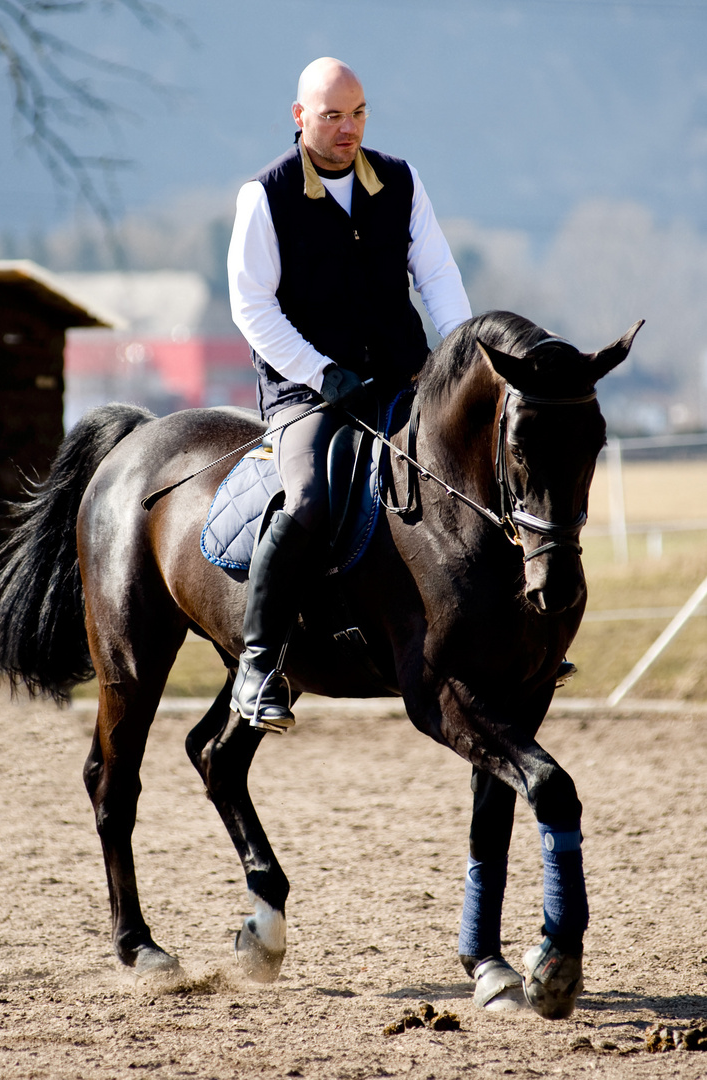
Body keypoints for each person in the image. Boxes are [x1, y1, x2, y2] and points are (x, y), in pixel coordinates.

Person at [227, 56, 472, 731]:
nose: (348, 127)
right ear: (300, 117)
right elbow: (252, 308)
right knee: (307, 500)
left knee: (477, 470)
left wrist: (457, 358)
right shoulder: (265, 194)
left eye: (358, 112)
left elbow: (439, 278)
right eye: (332, 115)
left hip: (406, 375)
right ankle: (257, 665)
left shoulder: (401, 179)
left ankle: (509, 634)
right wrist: (318, 371)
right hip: (309, 395)